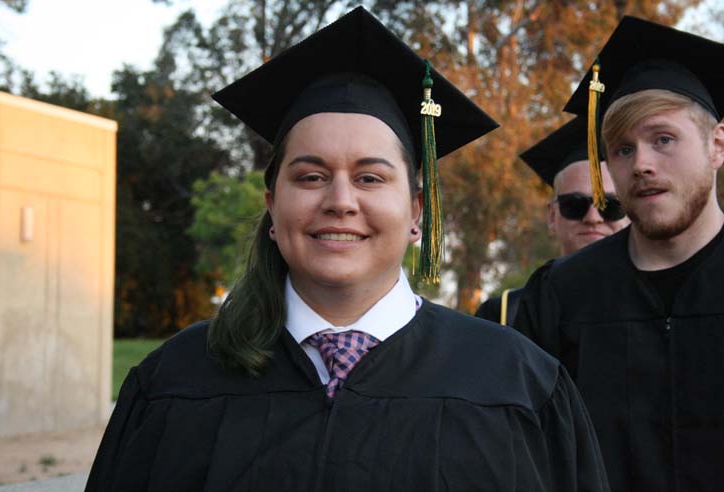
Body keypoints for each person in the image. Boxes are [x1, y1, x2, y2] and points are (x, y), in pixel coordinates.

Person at [86, 7, 609, 491]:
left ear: (416, 211)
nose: (340, 201)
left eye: (370, 178)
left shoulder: (518, 383)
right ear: (273, 205)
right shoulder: (174, 380)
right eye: (311, 176)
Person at [513, 16, 724, 492]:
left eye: (663, 139)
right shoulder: (561, 296)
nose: (642, 164)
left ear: (717, 145)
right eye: (622, 150)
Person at [476, 117, 629, 325]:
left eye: (610, 206)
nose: (593, 218)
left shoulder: (665, 311)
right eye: (574, 205)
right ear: (551, 215)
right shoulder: (505, 315)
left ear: (632, 211)